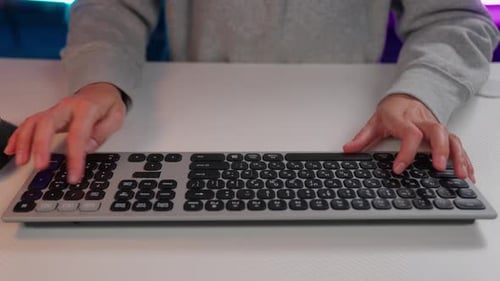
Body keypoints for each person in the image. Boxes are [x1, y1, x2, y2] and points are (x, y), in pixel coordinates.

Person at [4, 0, 499, 184]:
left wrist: (420, 94)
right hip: (189, 126)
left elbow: (456, 17)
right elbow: (111, 8)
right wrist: (99, 81)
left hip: (354, 129)